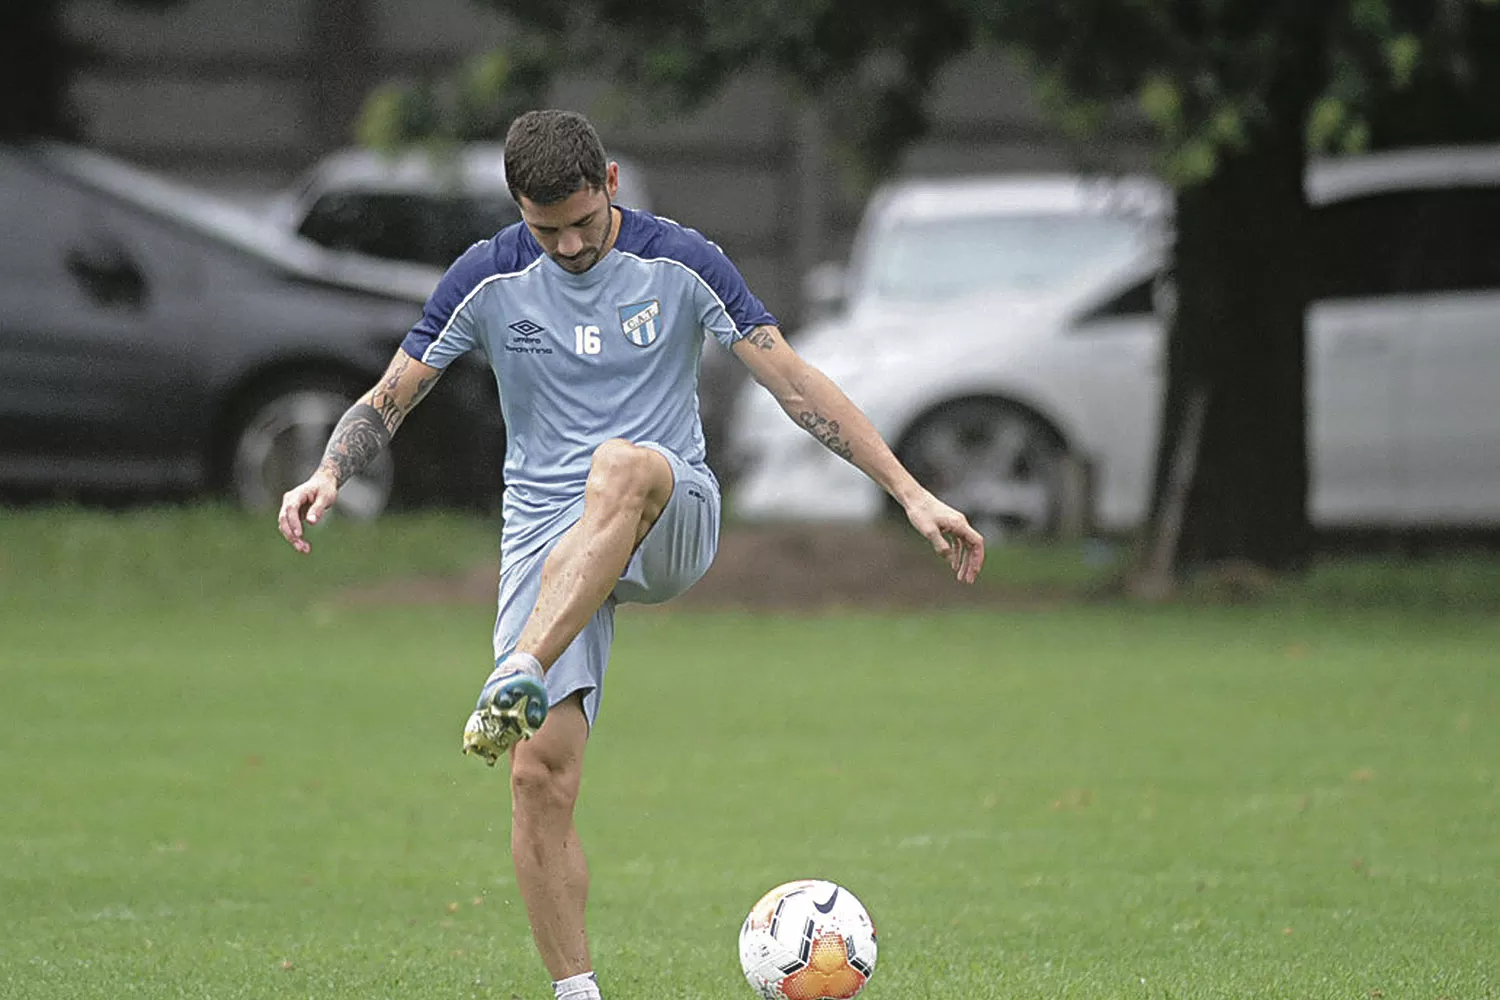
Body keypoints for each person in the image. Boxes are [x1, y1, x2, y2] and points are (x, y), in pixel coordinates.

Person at [277, 109, 985, 1000]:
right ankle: (577, 992)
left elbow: (796, 383)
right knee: (538, 774)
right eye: (548, 230)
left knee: (623, 465)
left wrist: (913, 494)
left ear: (611, 183)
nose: (570, 245)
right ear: (516, 210)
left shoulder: (683, 263)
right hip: (548, 536)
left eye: (584, 220)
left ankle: (519, 668)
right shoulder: (487, 278)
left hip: (669, 509)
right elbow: (387, 398)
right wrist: (329, 472)